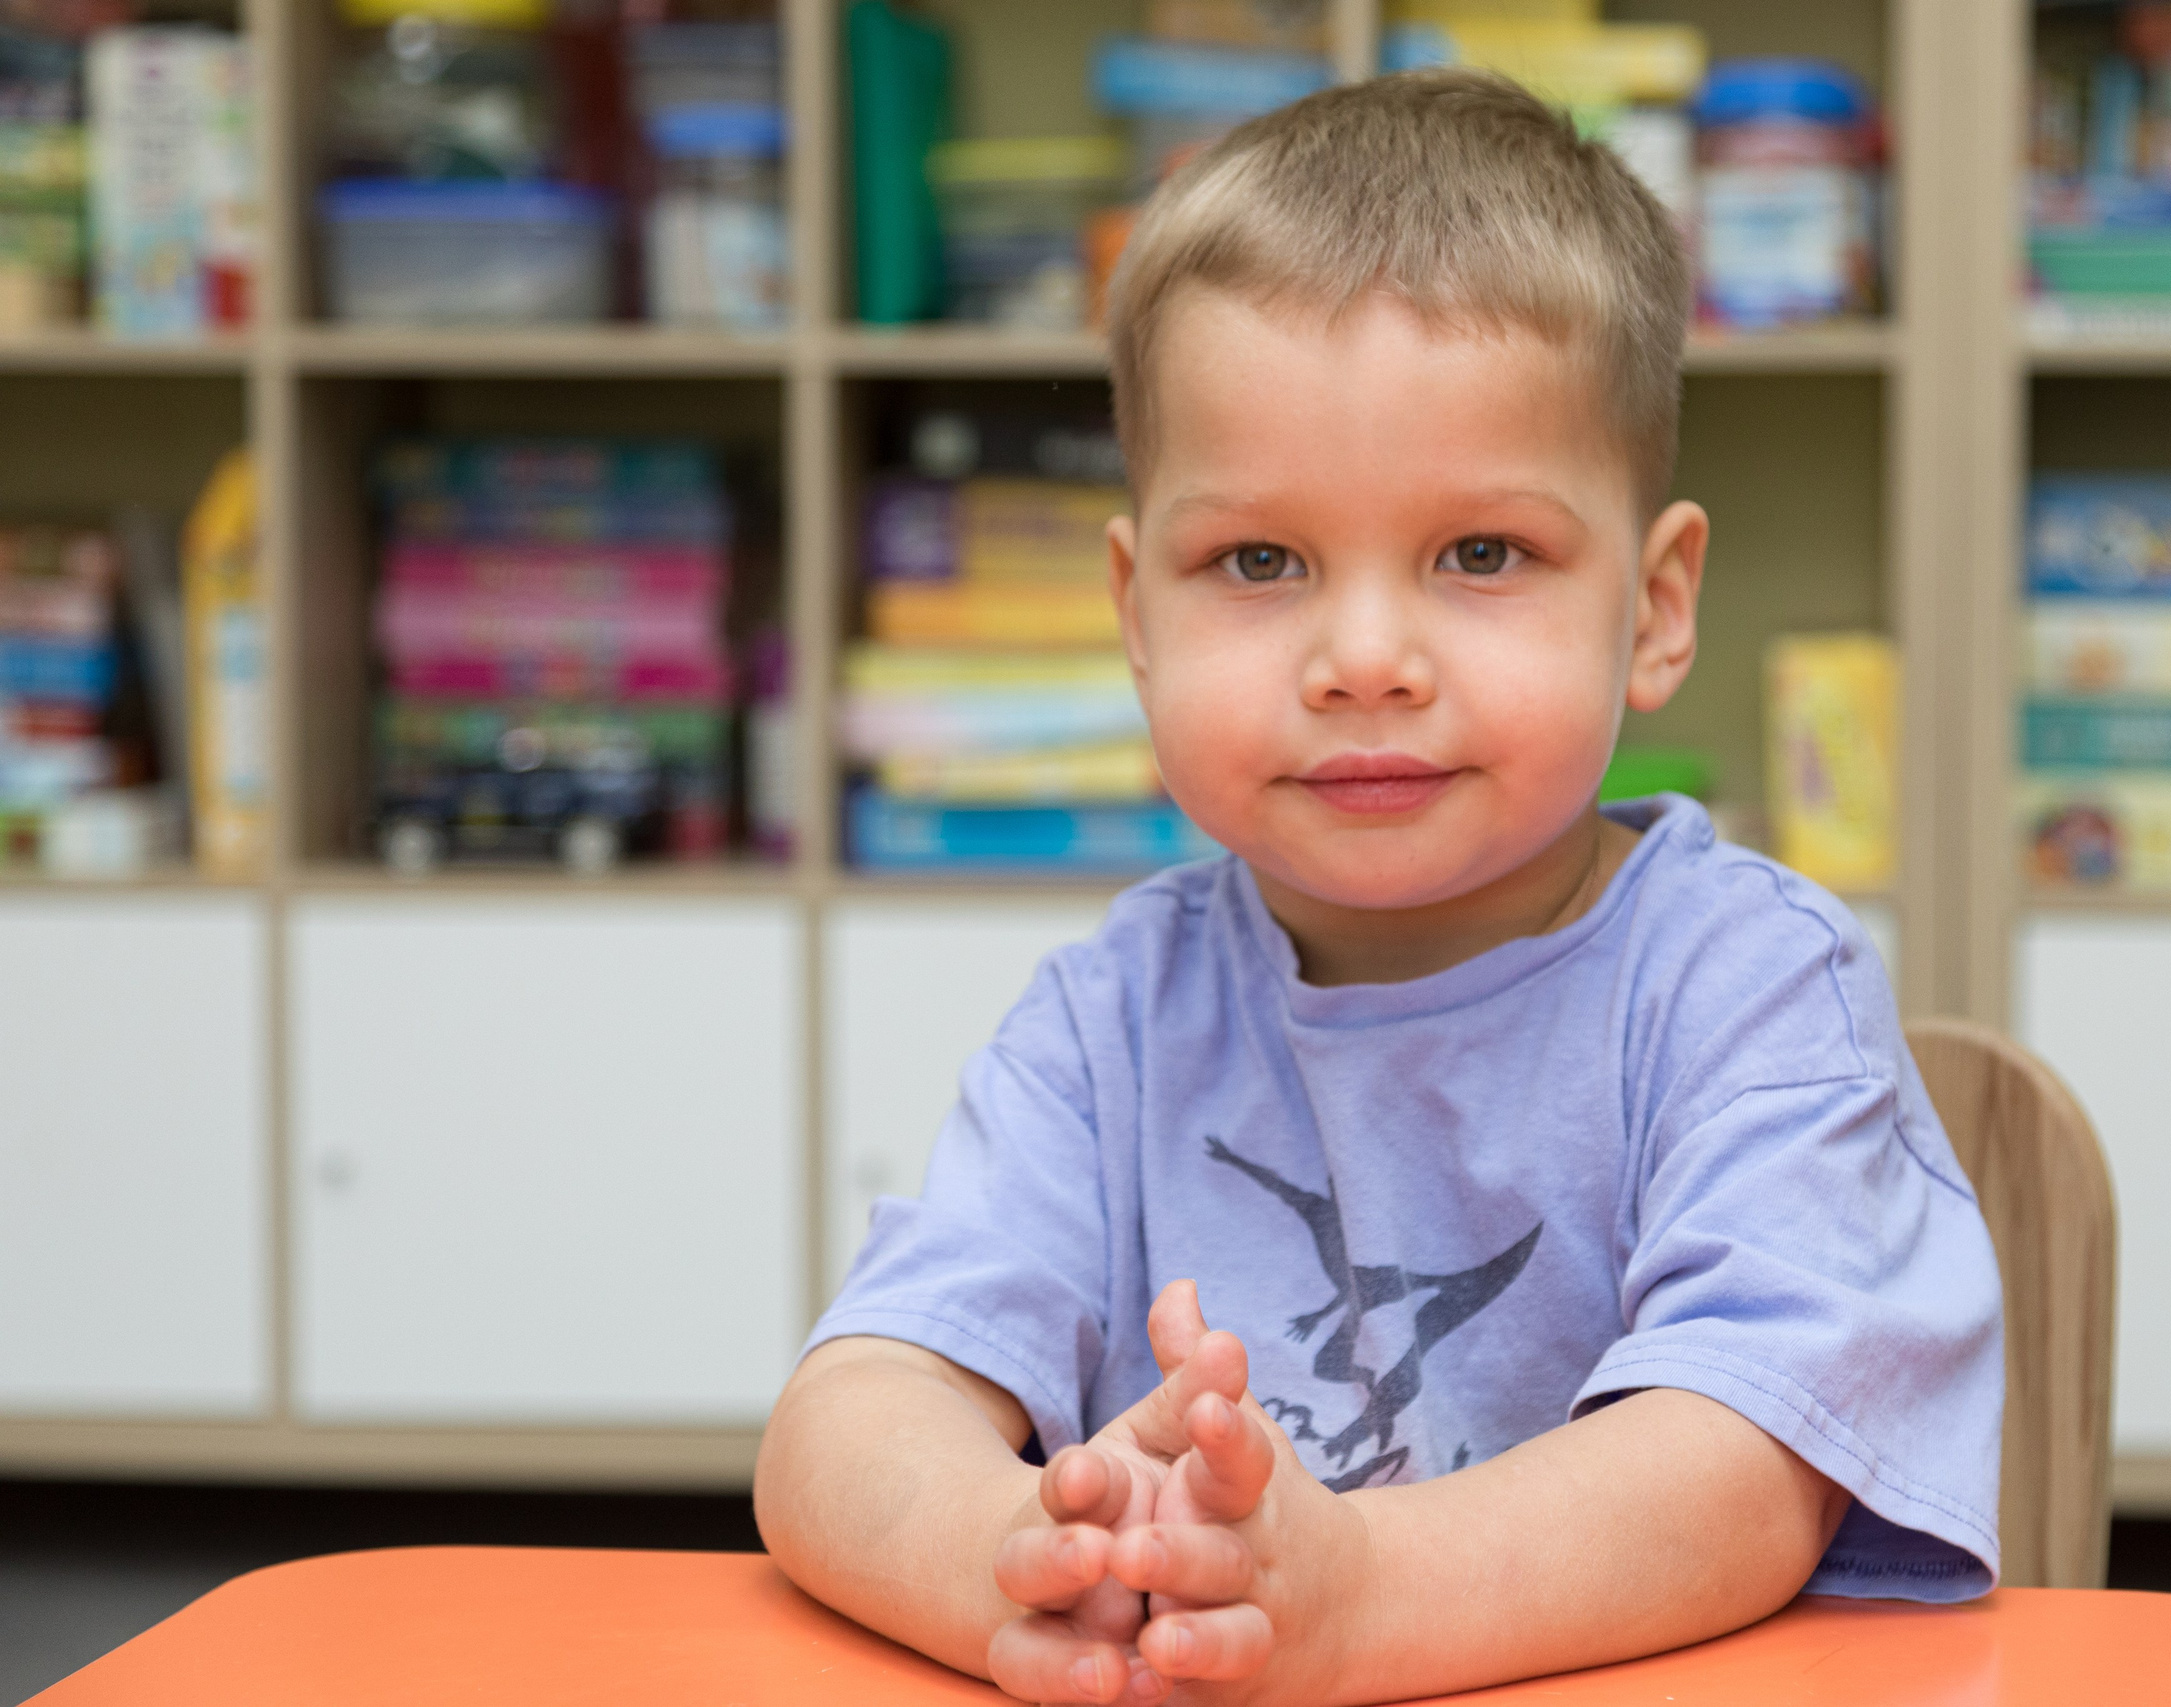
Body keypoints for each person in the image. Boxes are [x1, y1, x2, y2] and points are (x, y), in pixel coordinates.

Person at [755, 69, 2003, 1707]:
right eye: (1259, 564)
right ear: (1140, 614)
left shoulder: (1748, 986)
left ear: (1654, 605)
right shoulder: (1110, 1017)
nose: (1361, 661)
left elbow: (1749, 1468)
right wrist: (1013, 1558)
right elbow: (848, 1414)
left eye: (1480, 555)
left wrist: (1356, 1595)